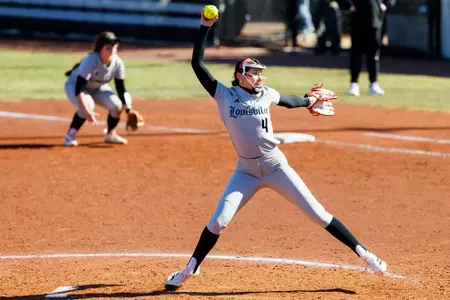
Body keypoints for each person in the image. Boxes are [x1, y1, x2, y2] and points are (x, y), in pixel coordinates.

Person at [164, 9, 388, 291]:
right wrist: (204, 28)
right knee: (218, 222)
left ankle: (366, 255)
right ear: (239, 75)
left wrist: (309, 101)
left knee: (318, 214)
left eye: (260, 73)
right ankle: (189, 270)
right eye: (253, 73)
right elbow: (197, 65)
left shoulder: (267, 94)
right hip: (245, 172)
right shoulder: (224, 94)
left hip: (275, 166)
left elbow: (291, 100)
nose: (259, 77)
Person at [63, 31, 134, 146]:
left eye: (114, 47)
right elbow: (79, 88)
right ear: (100, 48)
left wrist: (128, 109)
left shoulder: (118, 63)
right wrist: (86, 111)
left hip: (97, 87)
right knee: (87, 105)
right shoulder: (90, 60)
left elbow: (121, 88)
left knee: (117, 105)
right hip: (74, 86)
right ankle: (70, 135)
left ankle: (110, 134)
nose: (112, 50)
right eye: (108, 48)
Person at [341, 0, 396, 96]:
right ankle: (354, 84)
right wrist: (348, 5)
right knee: (356, 52)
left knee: (374, 52)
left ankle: (373, 84)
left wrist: (385, 5)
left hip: (375, 19)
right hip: (357, 20)